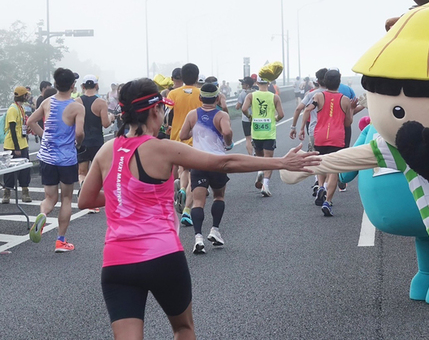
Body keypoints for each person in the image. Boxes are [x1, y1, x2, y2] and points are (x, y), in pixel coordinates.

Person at [76, 78, 319, 339]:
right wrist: (282, 161)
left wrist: (123, 192)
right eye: (163, 111)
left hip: (117, 262)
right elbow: (225, 162)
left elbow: (86, 200)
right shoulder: (162, 148)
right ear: (154, 111)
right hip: (162, 256)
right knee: (182, 328)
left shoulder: (106, 150)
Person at [26, 68, 85, 252]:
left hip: (47, 157)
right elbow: (80, 133)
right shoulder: (76, 106)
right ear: (73, 85)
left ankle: (43, 214)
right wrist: (77, 143)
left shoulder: (46, 102)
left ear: (55, 84)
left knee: (49, 198)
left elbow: (30, 122)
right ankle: (60, 241)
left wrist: (45, 137)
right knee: (66, 198)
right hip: (66, 159)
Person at [179, 83, 233, 254]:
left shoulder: (192, 115)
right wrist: (228, 142)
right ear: (217, 98)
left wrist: (196, 133)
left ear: (200, 98)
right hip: (217, 162)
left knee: (198, 202)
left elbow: (182, 135)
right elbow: (227, 131)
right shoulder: (221, 115)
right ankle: (215, 230)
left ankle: (198, 238)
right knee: (219, 196)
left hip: (199, 162)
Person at [300, 69, 353, 216]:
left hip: (320, 136)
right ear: (339, 82)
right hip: (337, 138)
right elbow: (348, 123)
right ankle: (328, 202)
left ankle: (321, 186)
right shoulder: (345, 100)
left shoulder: (318, 96)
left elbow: (306, 110)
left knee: (320, 163)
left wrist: (301, 129)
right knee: (333, 170)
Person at [167, 63, 202, 226]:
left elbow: (167, 114)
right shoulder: (200, 94)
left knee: (183, 169)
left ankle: (181, 188)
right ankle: (187, 210)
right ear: (196, 77)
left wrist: (168, 127)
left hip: (176, 138)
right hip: (197, 139)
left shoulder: (172, 94)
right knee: (194, 174)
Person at [76, 75, 114, 212]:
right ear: (97, 86)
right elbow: (105, 124)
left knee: (82, 171)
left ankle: (84, 191)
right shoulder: (101, 102)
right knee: (100, 172)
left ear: (83, 86)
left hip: (82, 141)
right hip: (97, 141)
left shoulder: (76, 102)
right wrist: (111, 117)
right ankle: (96, 198)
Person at [242, 75, 284, 197]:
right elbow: (281, 114)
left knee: (259, 157)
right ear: (269, 83)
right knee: (269, 160)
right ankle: (265, 185)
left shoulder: (251, 96)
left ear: (257, 83)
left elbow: (244, 108)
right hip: (269, 132)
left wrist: (250, 117)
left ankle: (260, 171)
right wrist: (274, 119)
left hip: (256, 131)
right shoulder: (274, 97)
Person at [289, 68, 328, 196]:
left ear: (317, 81)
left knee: (315, 157)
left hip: (314, 130)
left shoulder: (312, 94)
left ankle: (318, 182)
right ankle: (326, 186)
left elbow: (299, 109)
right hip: (332, 131)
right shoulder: (337, 94)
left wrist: (296, 127)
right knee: (331, 158)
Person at [2, 86, 31, 203]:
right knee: (9, 171)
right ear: (22, 96)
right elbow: (13, 130)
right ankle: (7, 194)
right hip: (12, 145)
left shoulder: (21, 108)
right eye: (26, 95)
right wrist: (17, 148)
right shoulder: (12, 109)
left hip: (23, 143)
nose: (27, 96)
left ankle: (25, 192)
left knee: (25, 170)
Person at [235, 76, 255, 156]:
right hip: (256, 118)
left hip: (246, 119)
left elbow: (237, 107)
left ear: (247, 85)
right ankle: (257, 152)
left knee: (248, 138)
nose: (241, 84)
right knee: (256, 137)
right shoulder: (256, 92)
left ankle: (251, 155)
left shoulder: (242, 94)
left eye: (243, 83)